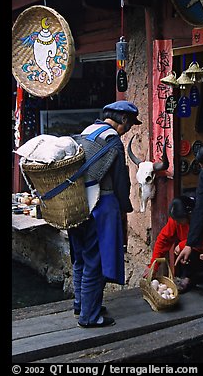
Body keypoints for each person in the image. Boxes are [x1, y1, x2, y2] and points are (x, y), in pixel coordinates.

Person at [67, 100, 142, 328]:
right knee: (95, 262)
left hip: (76, 203)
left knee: (80, 257)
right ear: (124, 120)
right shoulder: (112, 140)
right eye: (130, 125)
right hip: (99, 206)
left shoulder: (86, 132)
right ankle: (90, 317)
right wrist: (124, 208)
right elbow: (120, 182)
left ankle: (82, 304)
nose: (129, 129)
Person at [143, 195, 203, 293]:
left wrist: (184, 245)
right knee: (183, 253)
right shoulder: (176, 219)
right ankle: (188, 278)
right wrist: (153, 266)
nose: (177, 223)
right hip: (194, 251)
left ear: (190, 214)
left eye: (179, 221)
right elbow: (163, 240)